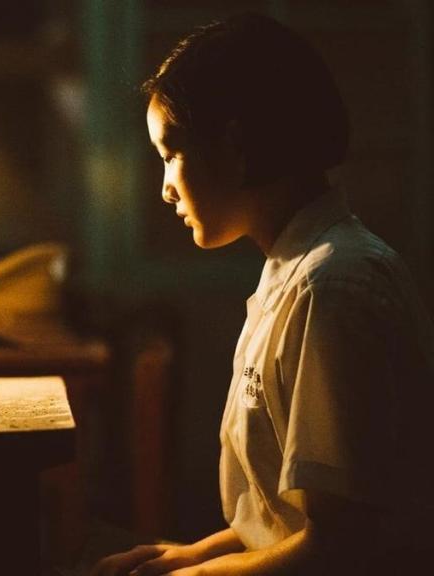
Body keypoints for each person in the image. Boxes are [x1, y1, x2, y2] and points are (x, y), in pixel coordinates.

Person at [91, 12, 434, 576]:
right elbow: (281, 523)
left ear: (235, 146)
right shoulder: (293, 271)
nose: (165, 187)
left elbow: (340, 548)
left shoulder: (332, 289)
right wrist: (188, 556)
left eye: (172, 153)